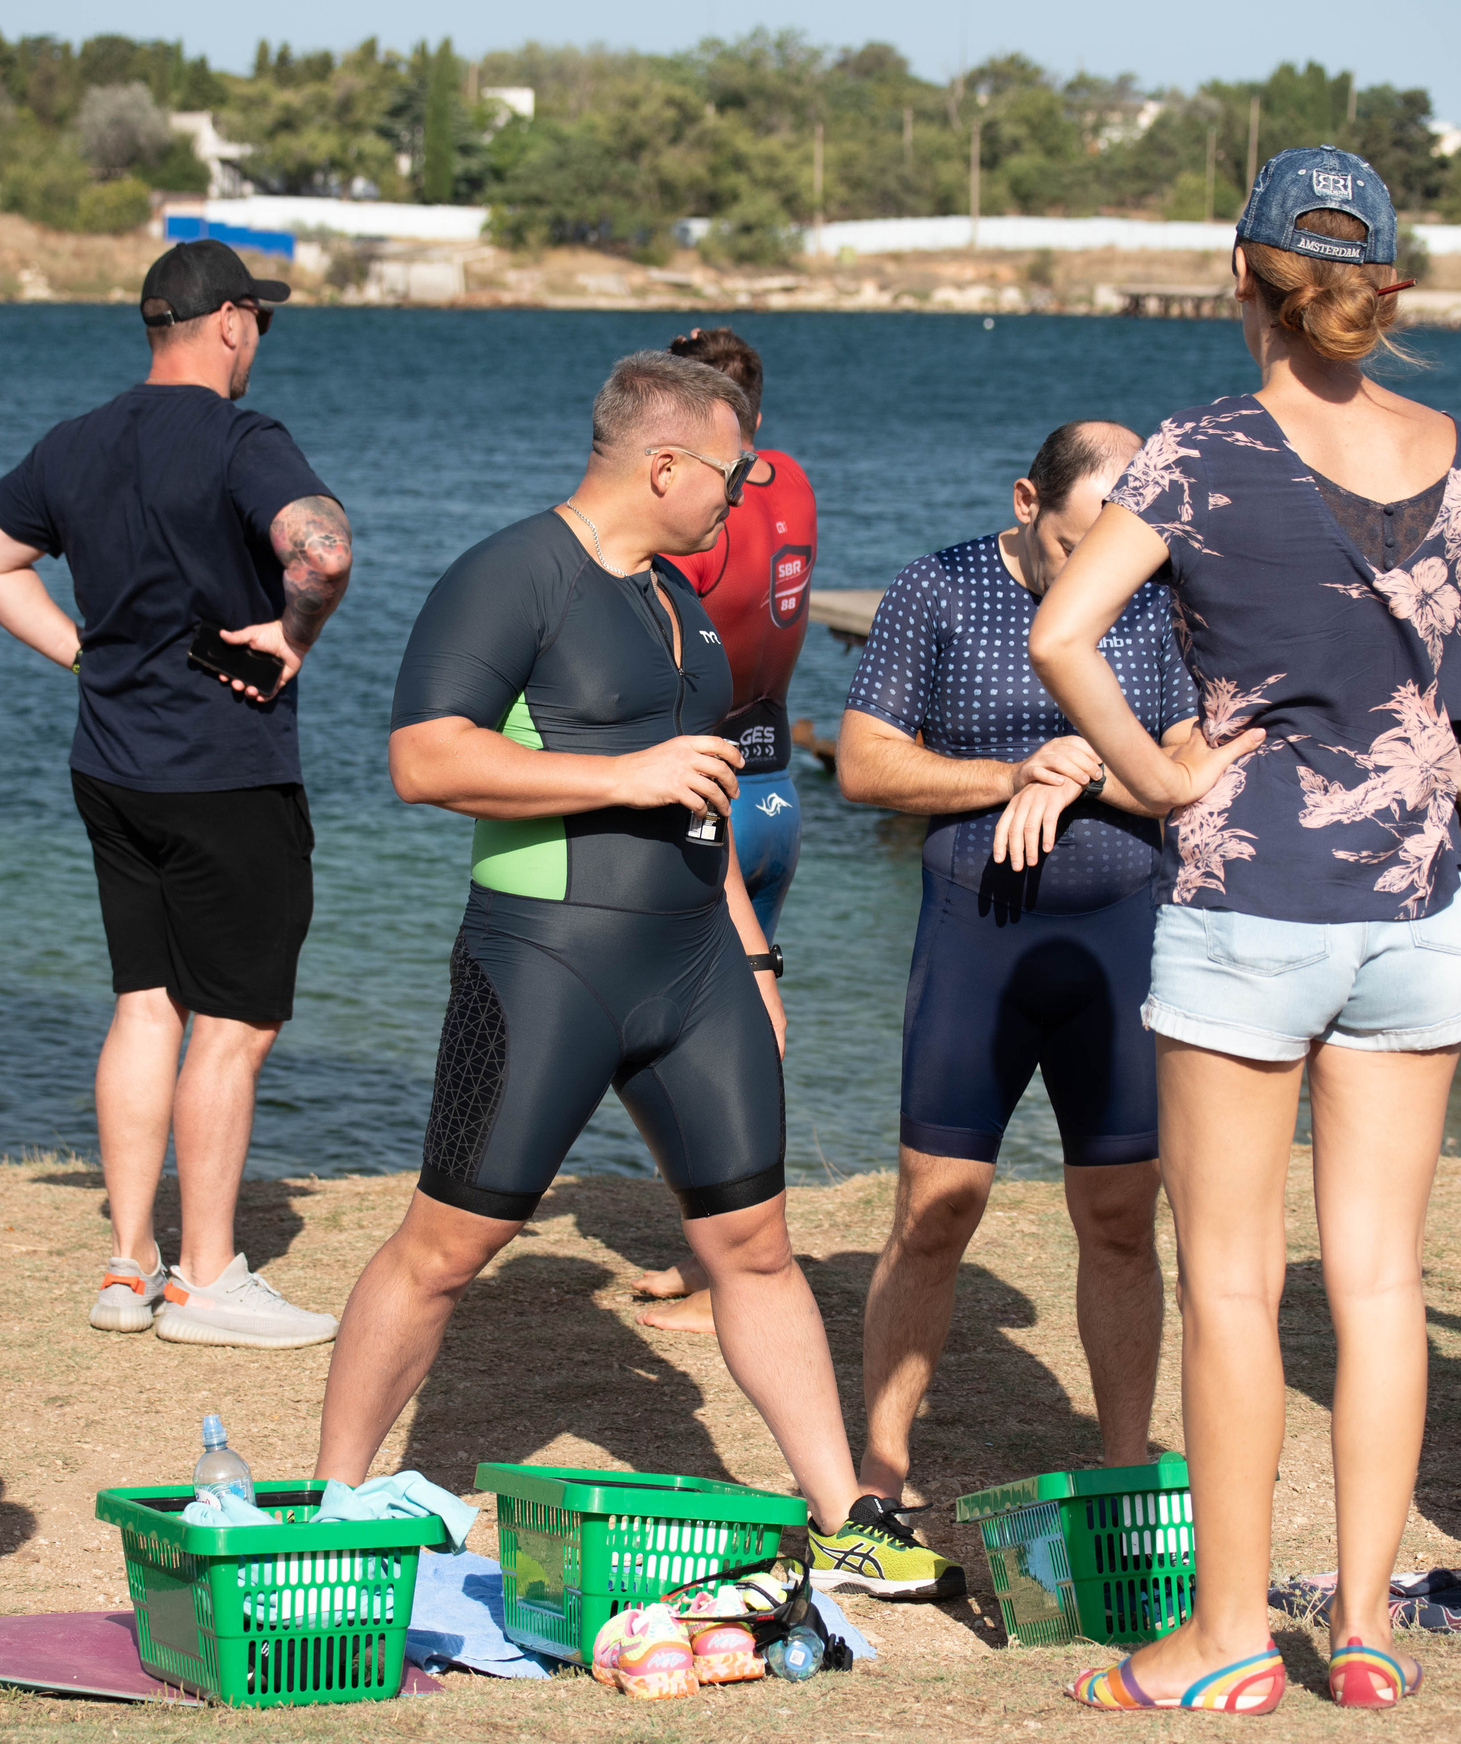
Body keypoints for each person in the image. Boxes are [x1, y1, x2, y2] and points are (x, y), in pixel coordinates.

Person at [1028, 146, 1461, 1711]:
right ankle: (1364, 1630)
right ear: (1385, 284)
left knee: (1232, 1286)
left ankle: (1226, 1638)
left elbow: (1060, 632)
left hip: (1248, 905)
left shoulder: (1197, 455)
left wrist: (1162, 777)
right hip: (1415, 916)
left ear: (1239, 275)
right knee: (1377, 1284)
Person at [315, 351, 960, 1601]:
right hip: (547, 961)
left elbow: (700, 788)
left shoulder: (673, 595)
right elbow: (423, 758)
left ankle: (844, 1520)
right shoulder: (512, 575)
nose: (744, 495)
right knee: (447, 1246)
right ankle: (335, 1502)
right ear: (661, 463)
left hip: (695, 967)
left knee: (755, 1247)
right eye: (730, 471)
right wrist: (621, 777)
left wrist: (752, 954)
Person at [0, 239, 352, 1350]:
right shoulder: (241, 438)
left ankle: (128, 1266)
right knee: (231, 1027)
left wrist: (82, 654)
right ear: (228, 320)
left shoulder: (76, 441)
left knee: (145, 1004)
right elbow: (321, 551)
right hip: (228, 770)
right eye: (258, 319)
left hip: (111, 764)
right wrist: (294, 628)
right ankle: (208, 1277)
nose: (259, 337)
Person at [825, 420, 1192, 1510]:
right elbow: (862, 763)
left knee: (1122, 1216)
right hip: (977, 934)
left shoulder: (1154, 596)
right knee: (937, 1208)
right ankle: (880, 1475)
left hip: (1120, 934)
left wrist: (1079, 775)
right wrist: (1009, 771)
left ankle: (1124, 1469)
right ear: (1028, 501)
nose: (1101, 570)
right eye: (1083, 543)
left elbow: (1189, 774)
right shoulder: (937, 589)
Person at [629, 327, 816, 1329]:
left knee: (699, 1035)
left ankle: (726, 1267)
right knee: (741, 1018)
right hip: (777, 777)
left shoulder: (691, 532)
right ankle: (712, 1250)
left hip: (710, 788)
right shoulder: (792, 483)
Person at [662, 327, 815, 938]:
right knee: (755, 1005)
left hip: (709, 803)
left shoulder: (697, 526)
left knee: (674, 1018)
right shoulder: (794, 481)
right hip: (776, 796)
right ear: (757, 412)